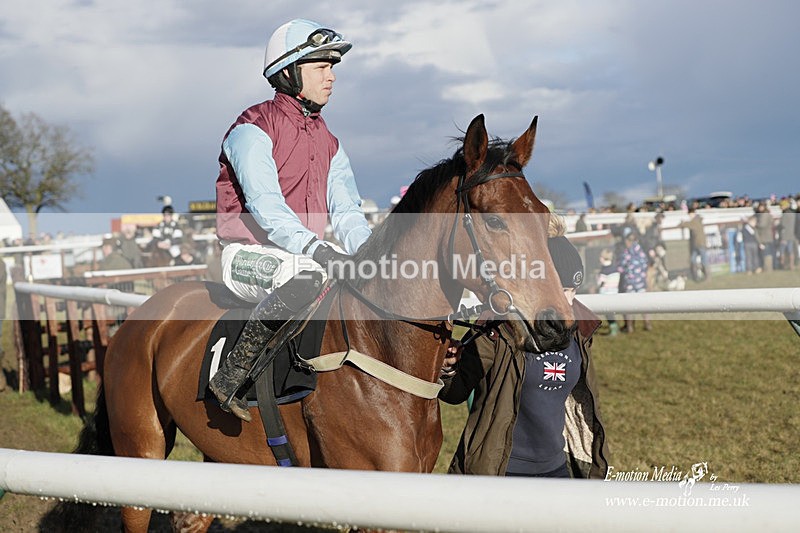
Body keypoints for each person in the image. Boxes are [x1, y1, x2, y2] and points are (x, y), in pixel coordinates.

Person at [210, 19, 372, 421]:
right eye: (321, 67)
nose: (331, 77)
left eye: (332, 68)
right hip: (245, 255)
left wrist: (371, 255)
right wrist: (319, 249)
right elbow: (267, 207)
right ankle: (231, 377)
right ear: (287, 72)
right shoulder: (252, 128)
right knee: (306, 277)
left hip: (303, 257)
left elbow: (348, 211)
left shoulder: (329, 140)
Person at [439, 234, 609, 478]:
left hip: (558, 470)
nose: (568, 301)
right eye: (561, 289)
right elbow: (455, 392)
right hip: (500, 472)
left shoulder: (580, 332)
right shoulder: (498, 329)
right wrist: (447, 366)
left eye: (573, 291)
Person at [619, 227, 651, 332]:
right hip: (641, 283)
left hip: (630, 283)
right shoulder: (640, 251)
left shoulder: (626, 253)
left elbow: (621, 268)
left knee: (628, 306)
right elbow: (646, 264)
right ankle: (647, 323)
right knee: (644, 305)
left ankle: (629, 327)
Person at [677, 206, 708, 281]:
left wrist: (682, 223)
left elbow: (690, 225)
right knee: (693, 260)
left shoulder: (696, 220)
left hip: (700, 243)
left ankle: (705, 275)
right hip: (696, 244)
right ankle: (697, 276)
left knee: (703, 260)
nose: (689, 216)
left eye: (690, 214)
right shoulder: (696, 220)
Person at [596, 248, 621, 336]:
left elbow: (599, 283)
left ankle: (614, 329)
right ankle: (614, 327)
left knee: (608, 314)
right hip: (614, 292)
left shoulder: (604, 271)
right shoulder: (615, 269)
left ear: (603, 258)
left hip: (605, 295)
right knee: (610, 313)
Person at [754, 202, 775, 272]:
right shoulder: (767, 214)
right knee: (767, 253)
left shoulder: (765, 215)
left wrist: (755, 224)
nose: (760, 208)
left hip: (765, 237)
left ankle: (768, 268)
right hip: (767, 237)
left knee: (766, 254)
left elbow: (762, 225)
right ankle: (768, 268)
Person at [777, 200, 797, 270]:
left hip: (785, 236)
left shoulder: (785, 215)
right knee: (791, 251)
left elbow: (783, 227)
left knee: (782, 251)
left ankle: (783, 266)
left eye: (781, 206)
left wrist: (783, 238)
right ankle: (792, 265)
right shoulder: (792, 213)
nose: (780, 207)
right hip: (791, 236)